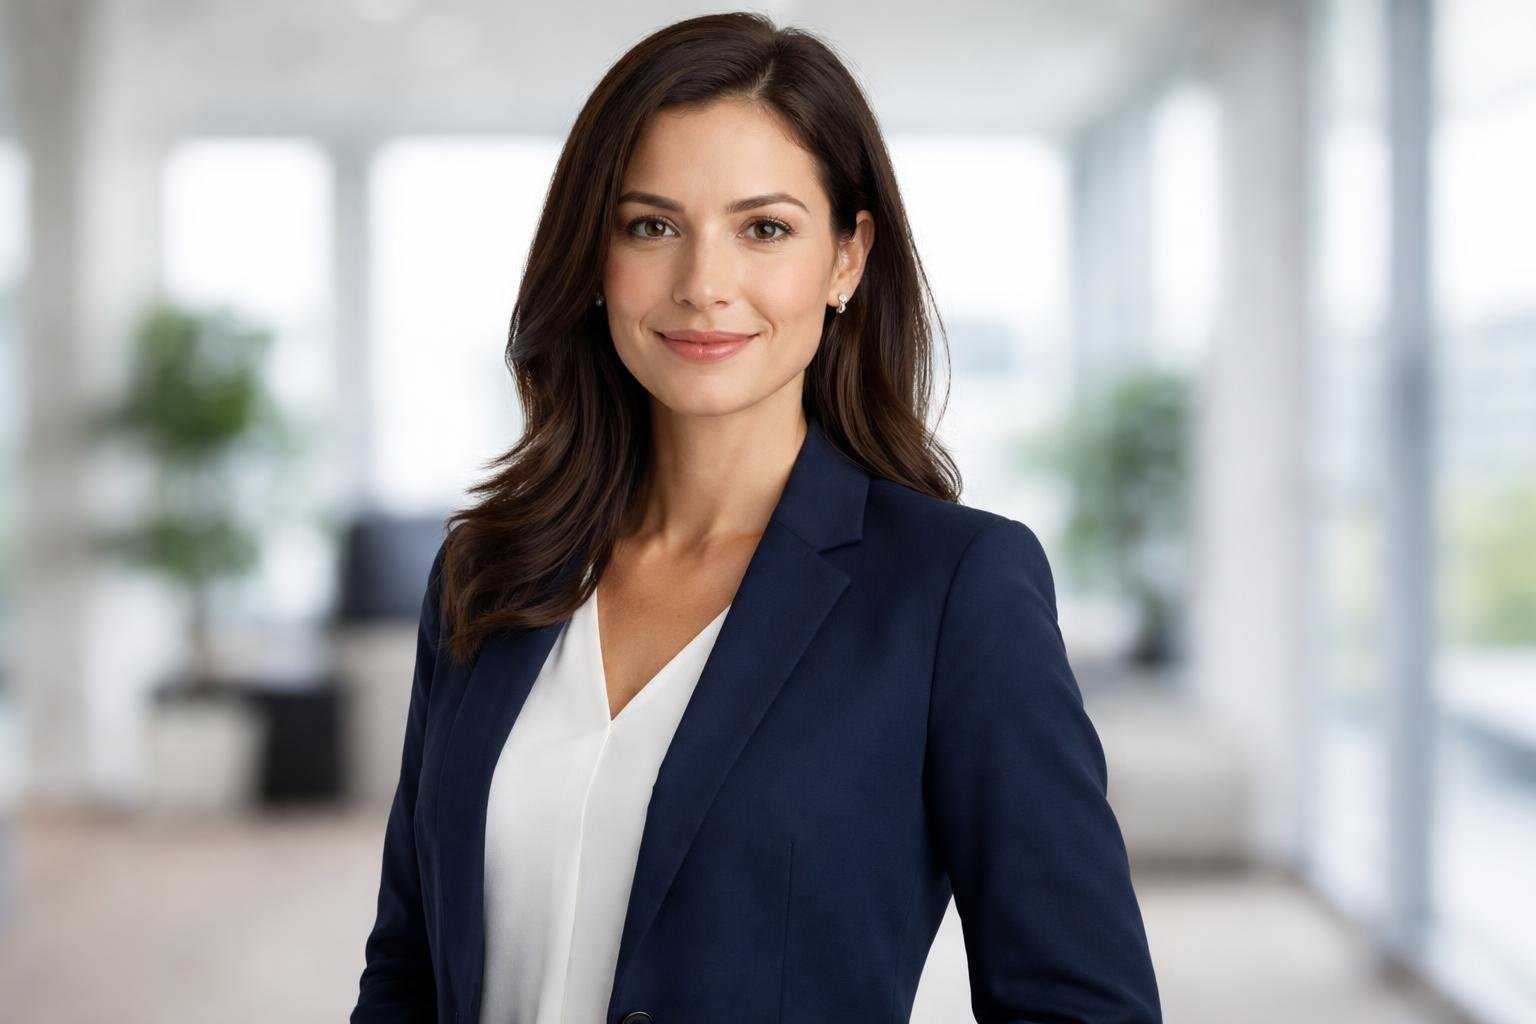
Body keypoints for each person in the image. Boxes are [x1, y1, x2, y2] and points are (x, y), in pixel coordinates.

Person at [352, 11, 1161, 1024]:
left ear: (846, 260)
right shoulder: (490, 570)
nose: (702, 285)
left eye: (764, 228)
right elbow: (409, 972)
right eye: (652, 225)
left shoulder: (955, 592)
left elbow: (1083, 1005)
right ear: (594, 259)